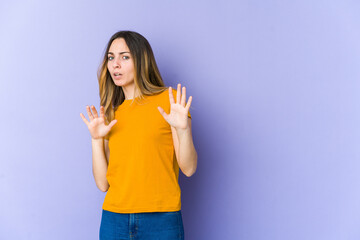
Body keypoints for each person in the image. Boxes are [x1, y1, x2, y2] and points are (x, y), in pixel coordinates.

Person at [80, 30, 197, 240]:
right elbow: (102, 184)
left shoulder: (168, 101)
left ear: (142, 60)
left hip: (161, 219)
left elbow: (188, 168)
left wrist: (183, 129)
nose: (115, 64)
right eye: (111, 57)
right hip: (114, 219)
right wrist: (96, 140)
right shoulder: (112, 113)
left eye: (125, 57)